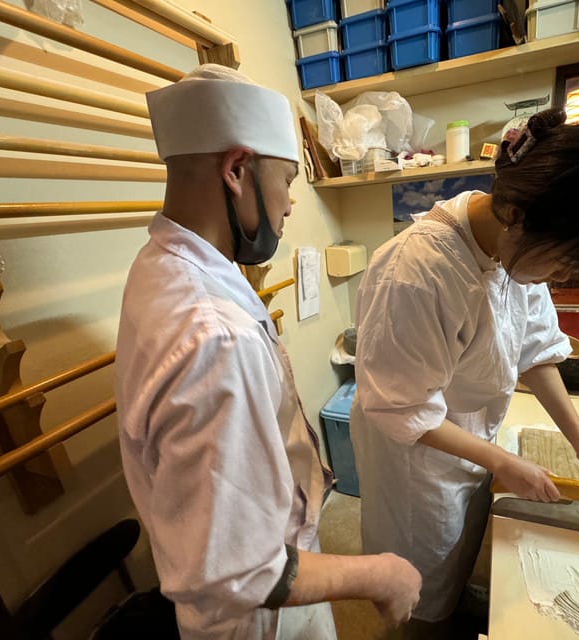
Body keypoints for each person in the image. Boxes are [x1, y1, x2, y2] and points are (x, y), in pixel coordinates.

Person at [115, 64, 421, 640]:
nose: (287, 207)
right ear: (237, 171)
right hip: (255, 621)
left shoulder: (159, 262)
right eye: (285, 183)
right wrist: (381, 574)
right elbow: (239, 570)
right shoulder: (213, 335)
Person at [349, 108, 579, 639]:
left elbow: (537, 351)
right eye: (562, 262)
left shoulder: (520, 244)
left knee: (460, 549)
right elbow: (403, 407)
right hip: (417, 460)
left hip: (470, 437)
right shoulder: (418, 273)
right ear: (513, 213)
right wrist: (505, 461)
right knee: (421, 574)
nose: (561, 277)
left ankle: (445, 607)